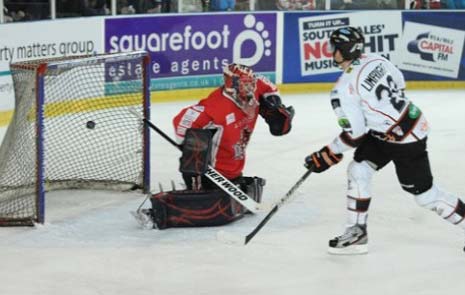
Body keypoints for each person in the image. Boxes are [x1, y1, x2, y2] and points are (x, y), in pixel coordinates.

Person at [304, 27, 465, 255]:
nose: (331, 51)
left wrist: (327, 153)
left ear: (343, 50)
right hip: (401, 126)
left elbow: (355, 135)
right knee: (359, 169)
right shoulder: (376, 59)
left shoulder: (343, 88)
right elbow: (399, 83)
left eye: (333, 47)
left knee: (426, 196)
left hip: (405, 140)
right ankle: (357, 232)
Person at [142, 64, 294, 229]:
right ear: (231, 84)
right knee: (215, 211)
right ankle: (161, 212)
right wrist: (193, 147)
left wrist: (274, 100)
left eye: (250, 83)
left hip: (232, 170)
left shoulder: (255, 91)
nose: (249, 87)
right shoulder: (217, 106)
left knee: (244, 196)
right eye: (244, 83)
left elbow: (267, 85)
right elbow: (181, 123)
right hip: (209, 174)